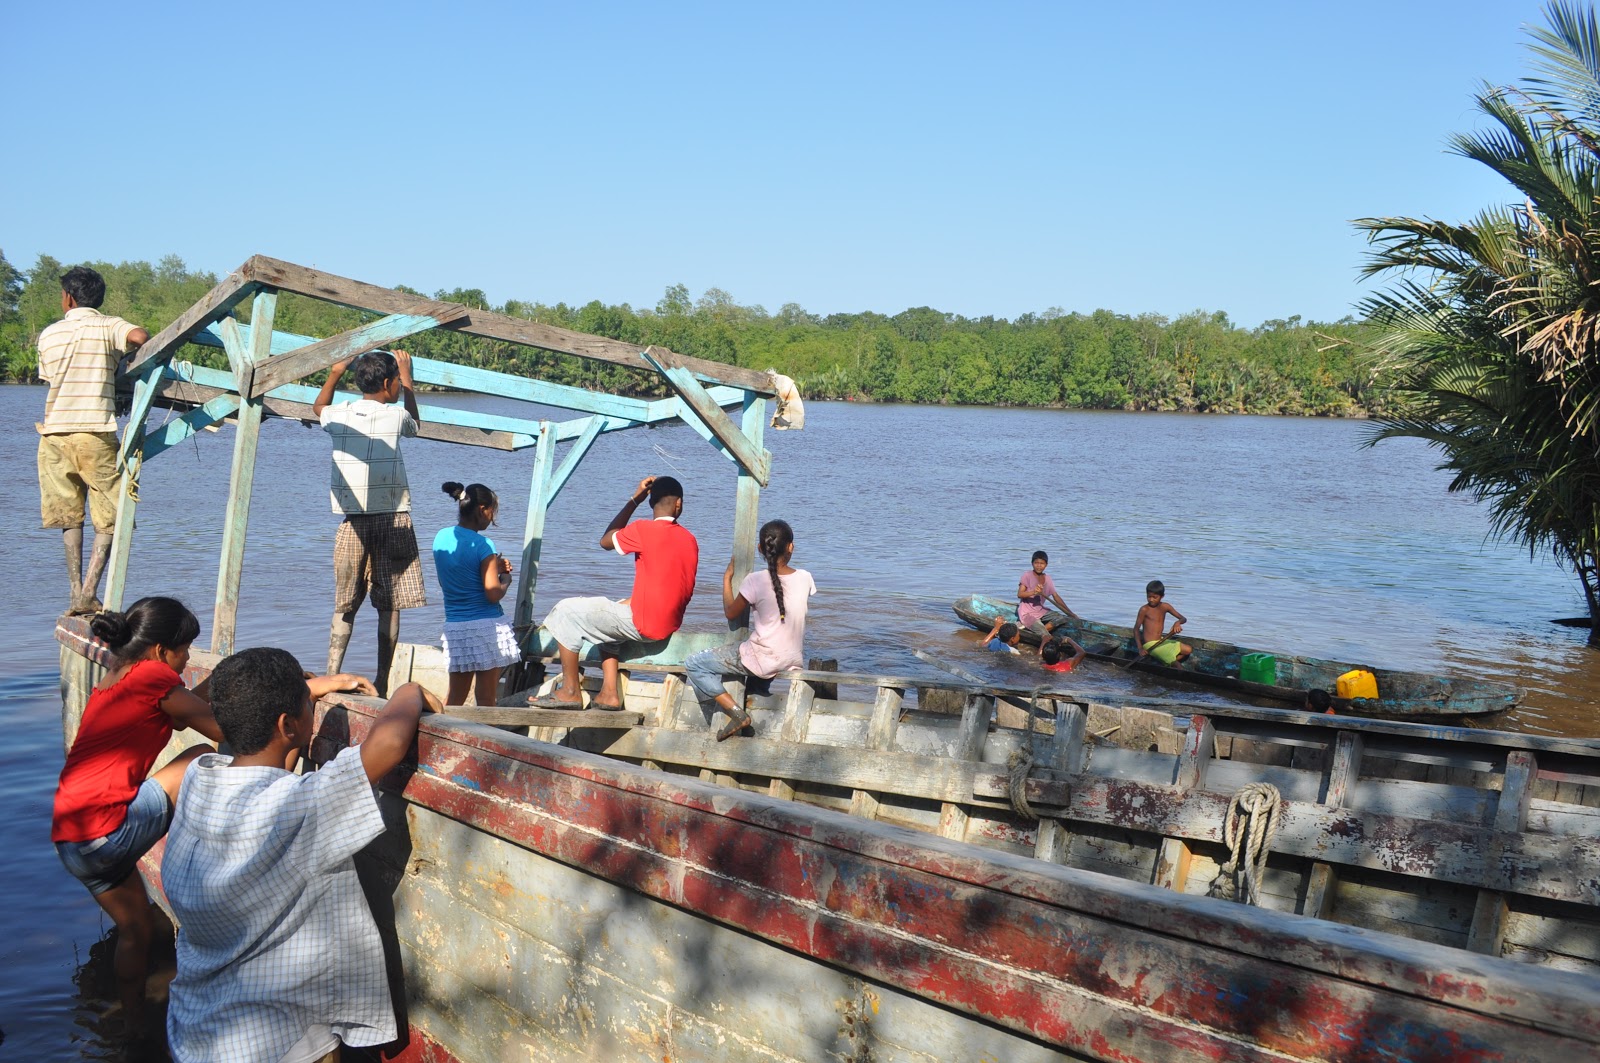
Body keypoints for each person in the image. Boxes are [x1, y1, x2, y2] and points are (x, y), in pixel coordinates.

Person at [162, 646, 435, 1063]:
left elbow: (266, 771)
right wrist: (410, 691)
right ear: (288, 724)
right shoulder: (299, 806)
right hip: (275, 1042)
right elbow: (390, 743)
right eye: (308, 704)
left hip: (195, 1027)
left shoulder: (200, 778)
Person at [36, 266, 149, 614]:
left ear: (68, 298)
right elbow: (141, 337)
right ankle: (89, 592)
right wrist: (121, 361)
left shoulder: (49, 334)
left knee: (70, 516)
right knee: (112, 514)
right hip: (93, 432)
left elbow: (50, 378)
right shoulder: (107, 324)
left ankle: (75, 593)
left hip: (54, 434)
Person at [313, 348, 427, 693]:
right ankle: (382, 679)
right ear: (391, 383)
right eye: (396, 383)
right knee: (389, 605)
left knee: (345, 602)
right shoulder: (394, 416)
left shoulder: (339, 414)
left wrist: (334, 372)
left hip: (353, 522)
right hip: (394, 519)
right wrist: (409, 382)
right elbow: (415, 425)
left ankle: (332, 672)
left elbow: (317, 408)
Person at [533, 475, 699, 711]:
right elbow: (673, 584)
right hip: (668, 624)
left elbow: (606, 541)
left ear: (651, 503)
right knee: (617, 606)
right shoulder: (689, 539)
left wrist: (634, 500)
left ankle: (570, 692)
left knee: (564, 611)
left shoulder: (644, 529)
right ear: (679, 503)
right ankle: (609, 693)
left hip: (644, 625)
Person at [685, 519, 816, 741]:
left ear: (760, 549)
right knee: (754, 686)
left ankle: (736, 714)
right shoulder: (805, 577)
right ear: (790, 547)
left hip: (763, 657)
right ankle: (753, 716)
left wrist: (726, 580)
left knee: (694, 664)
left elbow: (730, 612)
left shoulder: (755, 580)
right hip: (791, 658)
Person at [433, 481, 518, 707]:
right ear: (482, 509)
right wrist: (505, 579)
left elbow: (446, 581)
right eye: (492, 511)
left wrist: (491, 566)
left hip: (456, 628)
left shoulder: (440, 538)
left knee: (454, 700)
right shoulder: (484, 545)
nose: (492, 517)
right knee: (486, 700)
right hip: (486, 628)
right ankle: (485, 741)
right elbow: (492, 594)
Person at [1018, 550, 1078, 645]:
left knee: (1061, 618)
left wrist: (1071, 613)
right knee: (1046, 636)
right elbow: (1020, 594)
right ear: (1032, 563)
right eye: (1036, 563)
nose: (1039, 565)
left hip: (1041, 611)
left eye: (1042, 563)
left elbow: (1056, 596)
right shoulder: (1027, 575)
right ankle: (1037, 629)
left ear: (1046, 565)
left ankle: (1033, 629)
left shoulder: (1048, 578)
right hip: (1027, 613)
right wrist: (1034, 592)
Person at [1135, 580, 1191, 665]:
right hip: (1149, 645)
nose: (1151, 600)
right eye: (1149, 597)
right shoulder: (1144, 609)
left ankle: (1167, 662)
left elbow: (1183, 618)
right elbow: (1136, 629)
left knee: (1188, 649)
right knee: (1177, 665)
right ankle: (1172, 663)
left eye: (1155, 597)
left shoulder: (1165, 606)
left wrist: (1177, 623)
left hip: (1161, 641)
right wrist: (1140, 648)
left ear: (1162, 596)